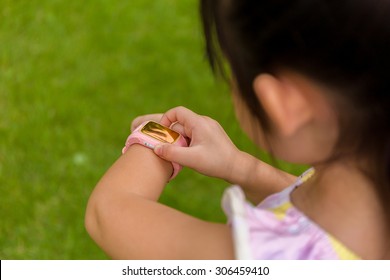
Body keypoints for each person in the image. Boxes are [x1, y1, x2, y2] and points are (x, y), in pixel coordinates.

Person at [85, 0, 390, 259]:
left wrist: (155, 138)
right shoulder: (364, 187)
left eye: (234, 72)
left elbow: (107, 213)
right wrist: (241, 168)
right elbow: (312, 214)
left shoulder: (273, 257)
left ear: (282, 105)